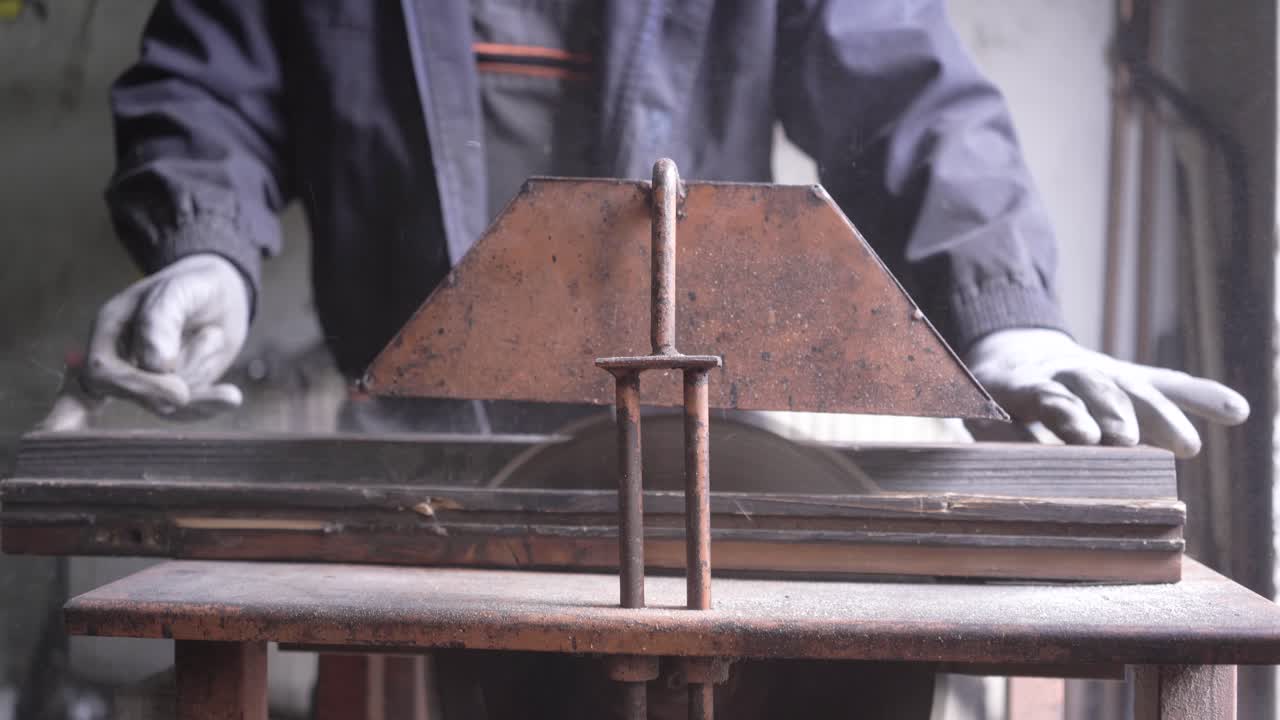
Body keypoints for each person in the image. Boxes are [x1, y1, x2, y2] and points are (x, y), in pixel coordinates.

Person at [41, 1, 1250, 717]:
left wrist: (1004, 318)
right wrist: (207, 251)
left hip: (688, 464)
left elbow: (908, 96)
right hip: (417, 464)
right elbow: (210, 82)